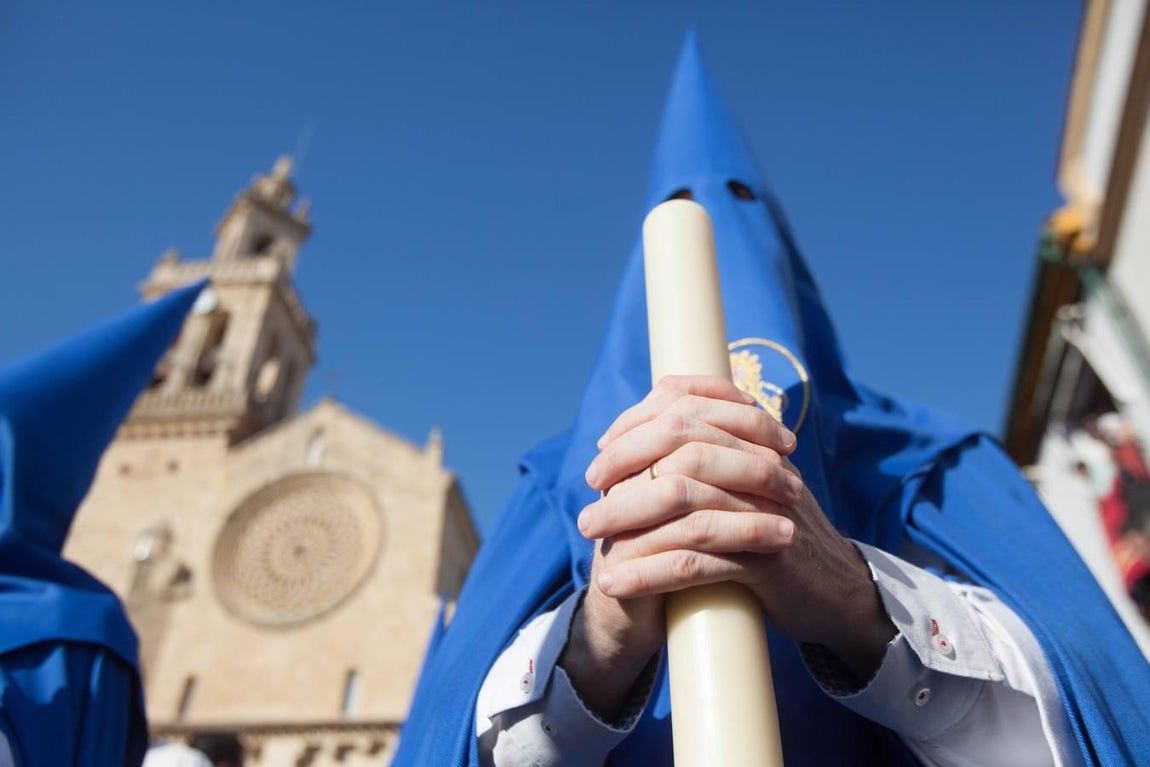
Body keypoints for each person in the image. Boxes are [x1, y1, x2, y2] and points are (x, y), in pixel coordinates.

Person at [393, 36, 1149, 767]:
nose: (725, 251)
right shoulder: (552, 486)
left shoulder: (933, 460)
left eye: (743, 204)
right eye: (685, 203)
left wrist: (861, 600)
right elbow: (452, 737)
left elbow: (1095, 709)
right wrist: (592, 646)